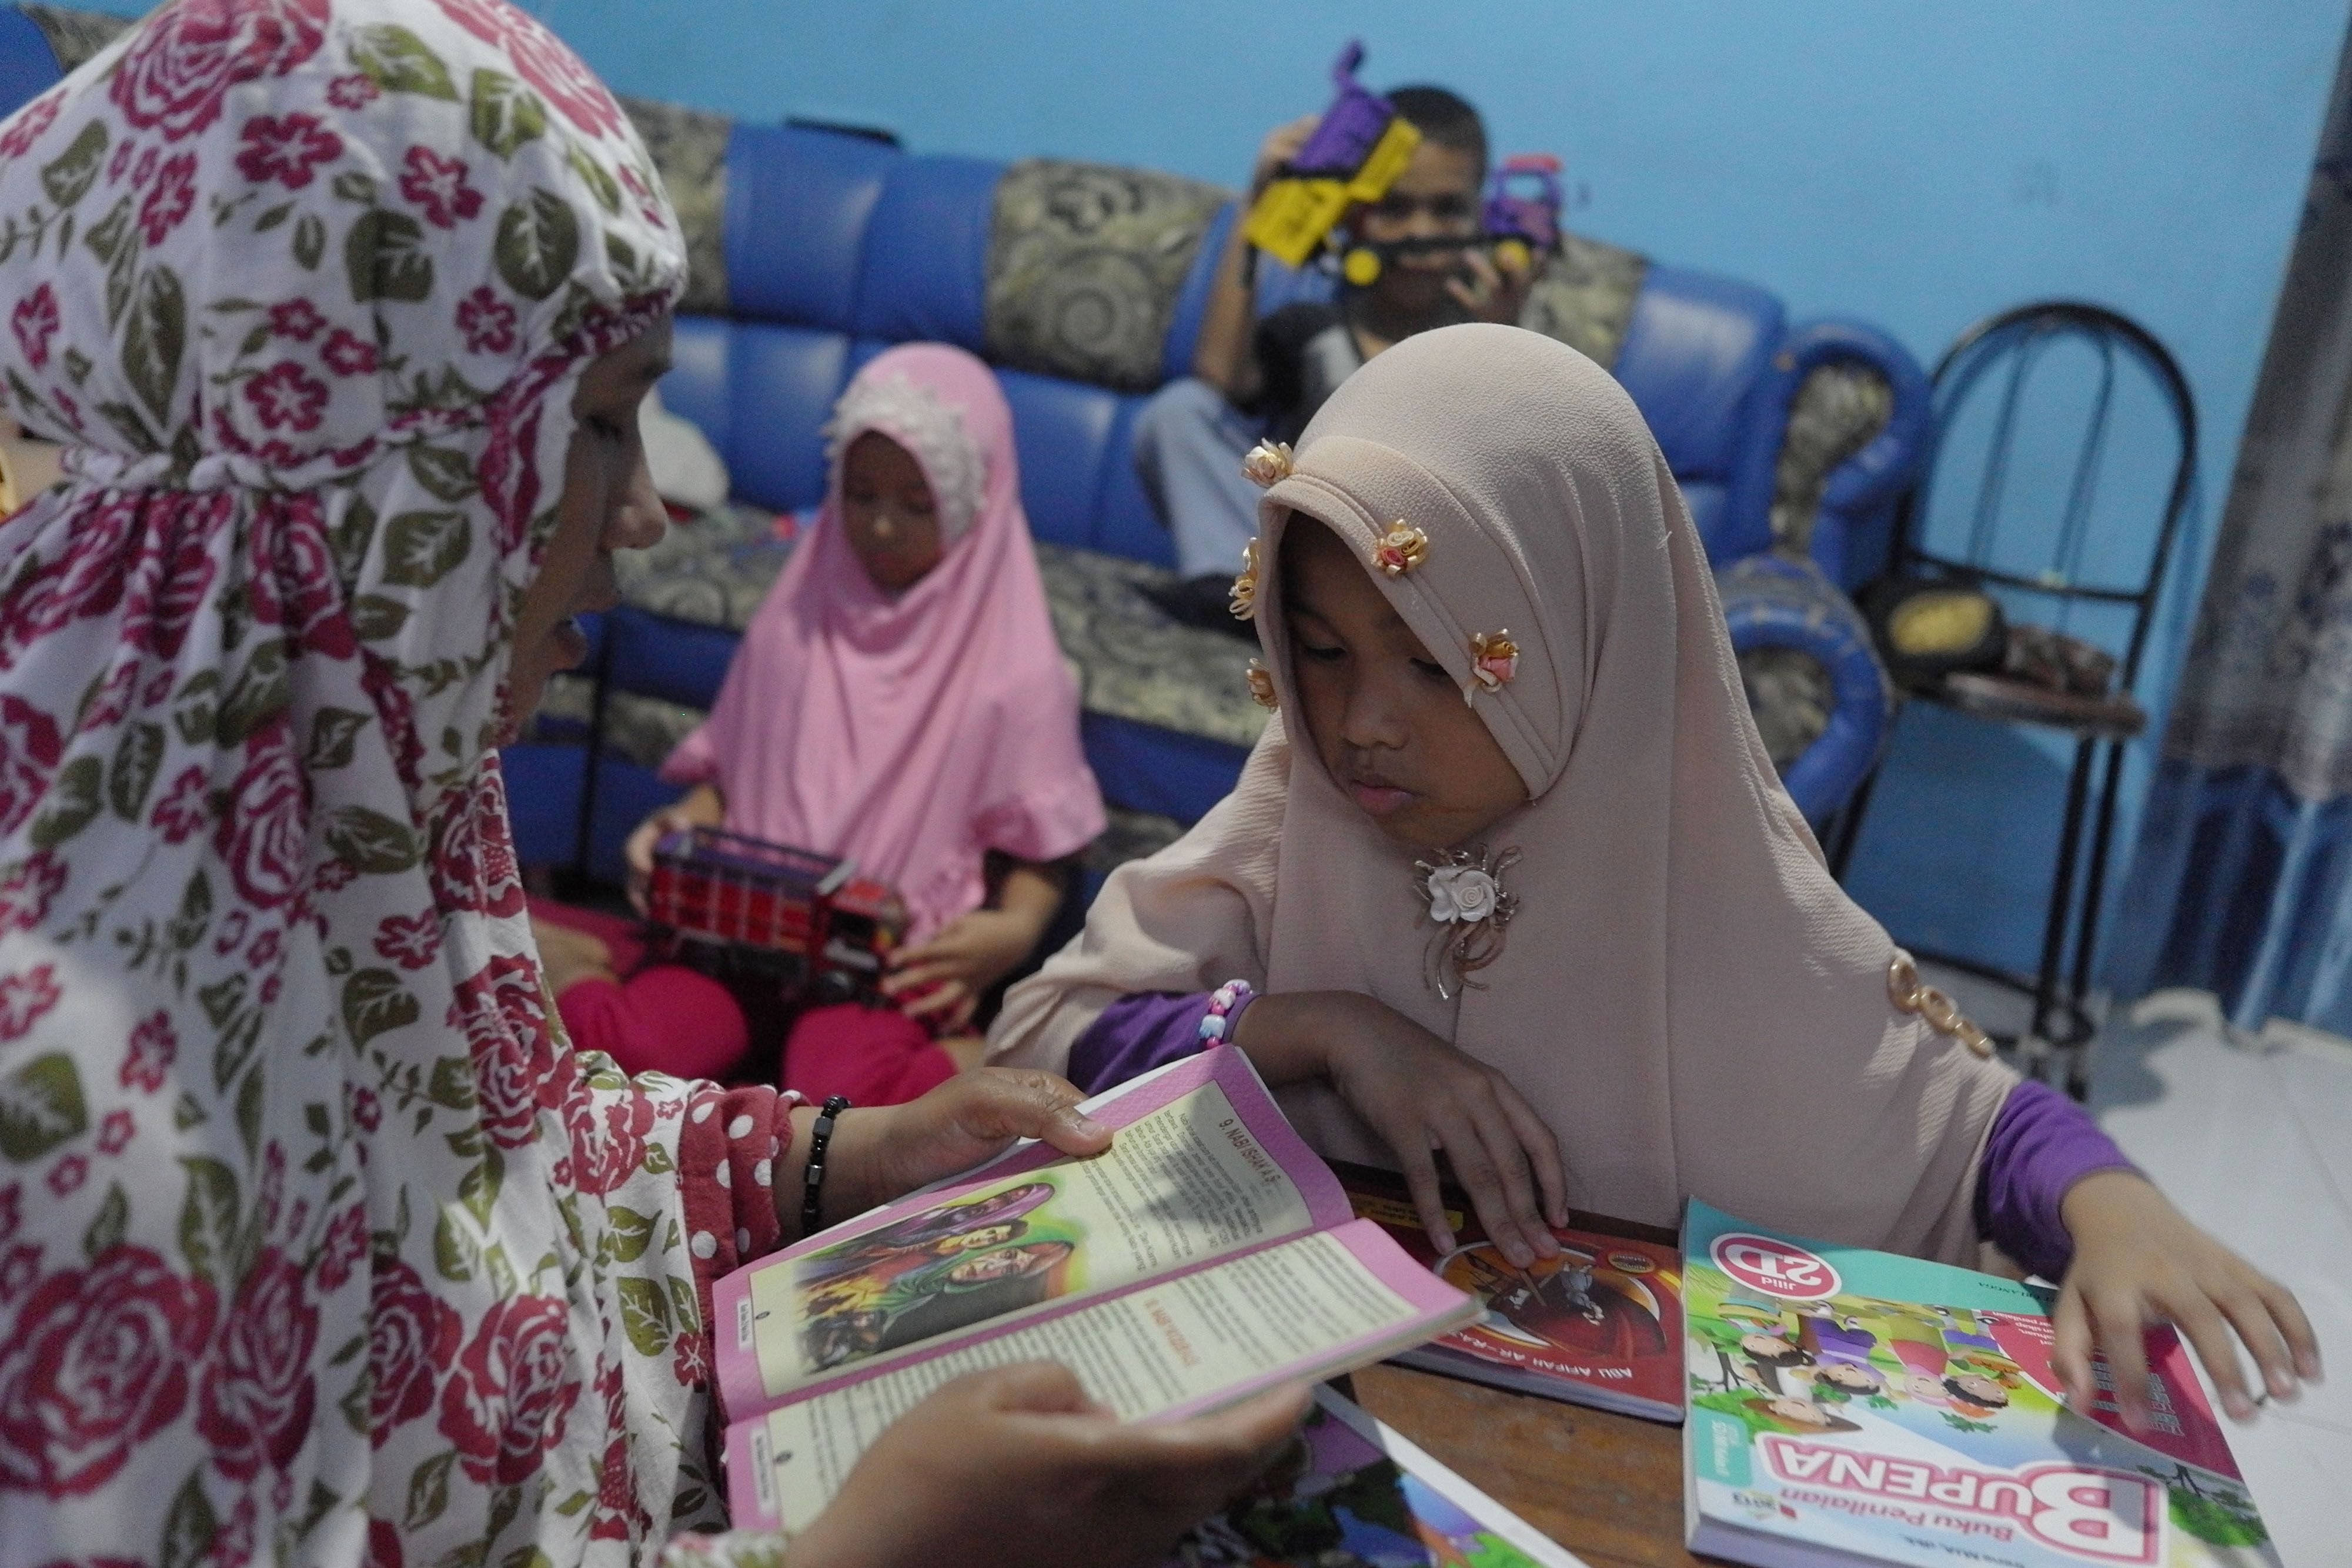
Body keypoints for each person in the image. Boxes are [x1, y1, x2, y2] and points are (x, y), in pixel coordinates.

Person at [0, 5, 1299, 1565]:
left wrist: (847, 1155)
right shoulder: (72, 1115)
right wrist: (874, 1544)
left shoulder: (364, 774)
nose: (648, 513)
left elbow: (517, 1142)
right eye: (605, 421)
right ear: (381, 460)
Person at [991, 323, 2323, 1435]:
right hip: (1322, 1415)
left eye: (1437, 665)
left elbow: (1973, 1131)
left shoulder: (1713, 877)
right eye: (1321, 651)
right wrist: (1328, 1031)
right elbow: (1059, 1043)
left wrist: (2113, 1206)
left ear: (1590, 634)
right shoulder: (1297, 816)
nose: (1359, 725)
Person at [532, 344, 1106, 1104]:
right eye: (860, 495)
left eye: (917, 504)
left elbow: (1043, 846)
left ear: (977, 499)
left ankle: (986, 1047)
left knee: (847, 1101)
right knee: (631, 1047)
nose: (882, 525)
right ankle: (572, 955)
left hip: (885, 956)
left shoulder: (1016, 669)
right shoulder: (794, 622)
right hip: (745, 932)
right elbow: (733, 783)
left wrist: (1014, 931)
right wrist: (679, 825)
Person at [1132, 86, 1535, 624]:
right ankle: (1246, 598)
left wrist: (1498, 344)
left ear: (1478, 216)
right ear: (1351, 213)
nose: (1420, 233)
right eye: (1393, 207)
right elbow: (1218, 374)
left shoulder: (1485, 338)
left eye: (1448, 210)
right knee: (1180, 411)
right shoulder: (1311, 331)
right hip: (1300, 555)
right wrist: (1261, 204)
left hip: (1411, 574)